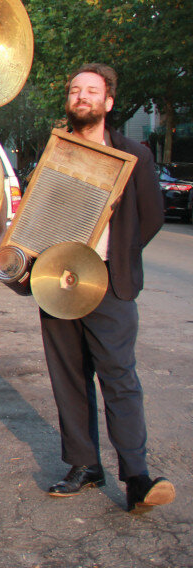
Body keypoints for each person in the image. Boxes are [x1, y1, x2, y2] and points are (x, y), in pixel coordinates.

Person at [40, 63, 173, 512]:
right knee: (69, 377)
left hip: (109, 284)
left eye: (91, 91)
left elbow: (151, 216)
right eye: (75, 90)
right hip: (58, 279)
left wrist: (118, 258)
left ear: (108, 102)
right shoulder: (57, 151)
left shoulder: (134, 154)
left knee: (119, 379)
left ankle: (136, 475)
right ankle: (84, 465)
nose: (81, 96)